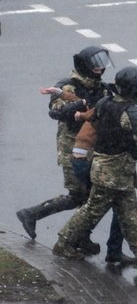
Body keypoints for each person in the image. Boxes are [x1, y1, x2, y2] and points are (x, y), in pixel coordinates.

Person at [52, 66, 137, 270]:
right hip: (112, 174)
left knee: (130, 214)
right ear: (135, 89)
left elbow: (92, 117)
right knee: (91, 211)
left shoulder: (105, 103)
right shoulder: (131, 112)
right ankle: (63, 244)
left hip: (112, 171)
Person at [16, 46, 114, 255]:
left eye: (102, 64)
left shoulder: (101, 88)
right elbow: (56, 111)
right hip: (72, 149)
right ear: (84, 64)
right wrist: (79, 104)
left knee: (90, 196)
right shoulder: (68, 86)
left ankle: (81, 237)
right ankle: (31, 214)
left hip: (93, 148)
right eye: (95, 64)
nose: (99, 69)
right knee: (78, 196)